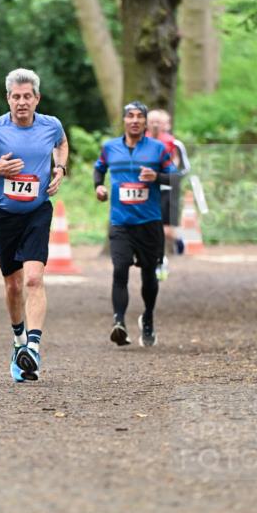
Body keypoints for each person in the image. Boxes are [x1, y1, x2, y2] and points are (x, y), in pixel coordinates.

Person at [0, 68, 68, 382]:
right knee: (14, 285)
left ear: (37, 99)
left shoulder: (52, 125)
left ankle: (32, 349)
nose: (21, 102)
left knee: (34, 279)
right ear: (8, 98)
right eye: (15, 97)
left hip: (37, 211)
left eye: (27, 97)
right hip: (2, 214)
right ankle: (18, 341)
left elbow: (61, 144)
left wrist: (60, 168)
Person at [94, 101, 176, 347]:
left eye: (140, 116)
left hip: (149, 222)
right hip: (120, 223)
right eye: (130, 116)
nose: (135, 120)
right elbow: (99, 169)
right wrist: (98, 186)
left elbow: (175, 176)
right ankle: (118, 322)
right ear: (124, 120)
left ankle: (148, 317)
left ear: (145, 122)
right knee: (120, 270)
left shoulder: (158, 149)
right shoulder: (109, 148)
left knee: (149, 275)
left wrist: (157, 177)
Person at [147, 108, 191, 268]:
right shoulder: (140, 141)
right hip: (148, 191)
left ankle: (178, 240)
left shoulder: (174, 144)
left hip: (168, 190)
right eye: (153, 122)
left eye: (161, 122)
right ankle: (158, 259)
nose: (158, 125)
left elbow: (185, 168)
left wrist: (170, 176)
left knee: (167, 230)